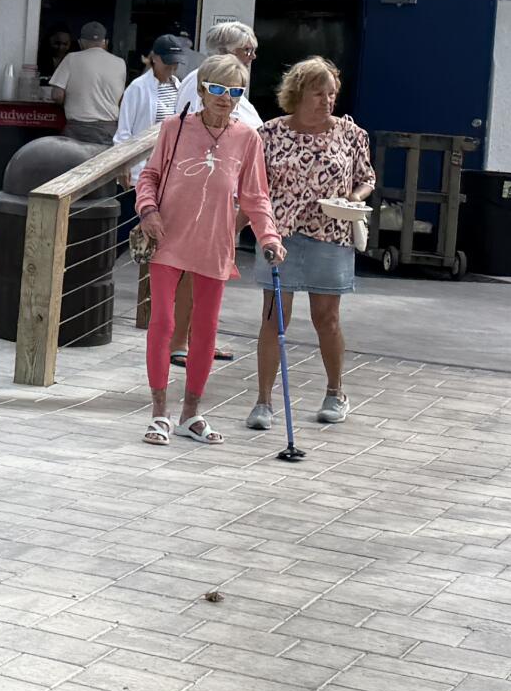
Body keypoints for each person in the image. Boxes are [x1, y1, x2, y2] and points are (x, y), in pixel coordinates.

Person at [133, 52, 283, 445]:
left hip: (215, 244)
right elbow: (148, 177)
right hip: (167, 239)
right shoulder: (174, 128)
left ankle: (190, 414)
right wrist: (147, 210)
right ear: (201, 90)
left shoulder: (247, 137)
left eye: (234, 90)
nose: (225, 97)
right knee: (163, 324)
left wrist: (268, 237)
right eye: (217, 88)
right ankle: (158, 413)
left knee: (206, 332)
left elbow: (256, 196)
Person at [250, 57, 374, 431]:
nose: (327, 101)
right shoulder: (268, 134)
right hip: (279, 233)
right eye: (319, 93)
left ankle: (336, 392)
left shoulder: (352, 134)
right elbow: (253, 185)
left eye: (332, 94)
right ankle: (264, 402)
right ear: (298, 93)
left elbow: (366, 177)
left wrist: (354, 197)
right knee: (274, 317)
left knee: (327, 318)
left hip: (331, 234)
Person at [49, 20, 126, 144]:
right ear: (106, 42)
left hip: (77, 129)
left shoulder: (71, 59)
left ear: (80, 42)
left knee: (73, 163)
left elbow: (57, 96)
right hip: (108, 130)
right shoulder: (120, 63)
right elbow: (121, 99)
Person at [114, 33, 194, 143]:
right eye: (168, 61)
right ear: (155, 58)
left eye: (175, 62)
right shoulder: (138, 88)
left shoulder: (179, 88)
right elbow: (123, 133)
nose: (172, 67)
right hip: (145, 156)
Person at [183, 20, 261, 127]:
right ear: (225, 51)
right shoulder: (202, 79)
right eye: (247, 50)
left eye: (253, 51)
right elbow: (200, 126)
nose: (253, 56)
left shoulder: (227, 80)